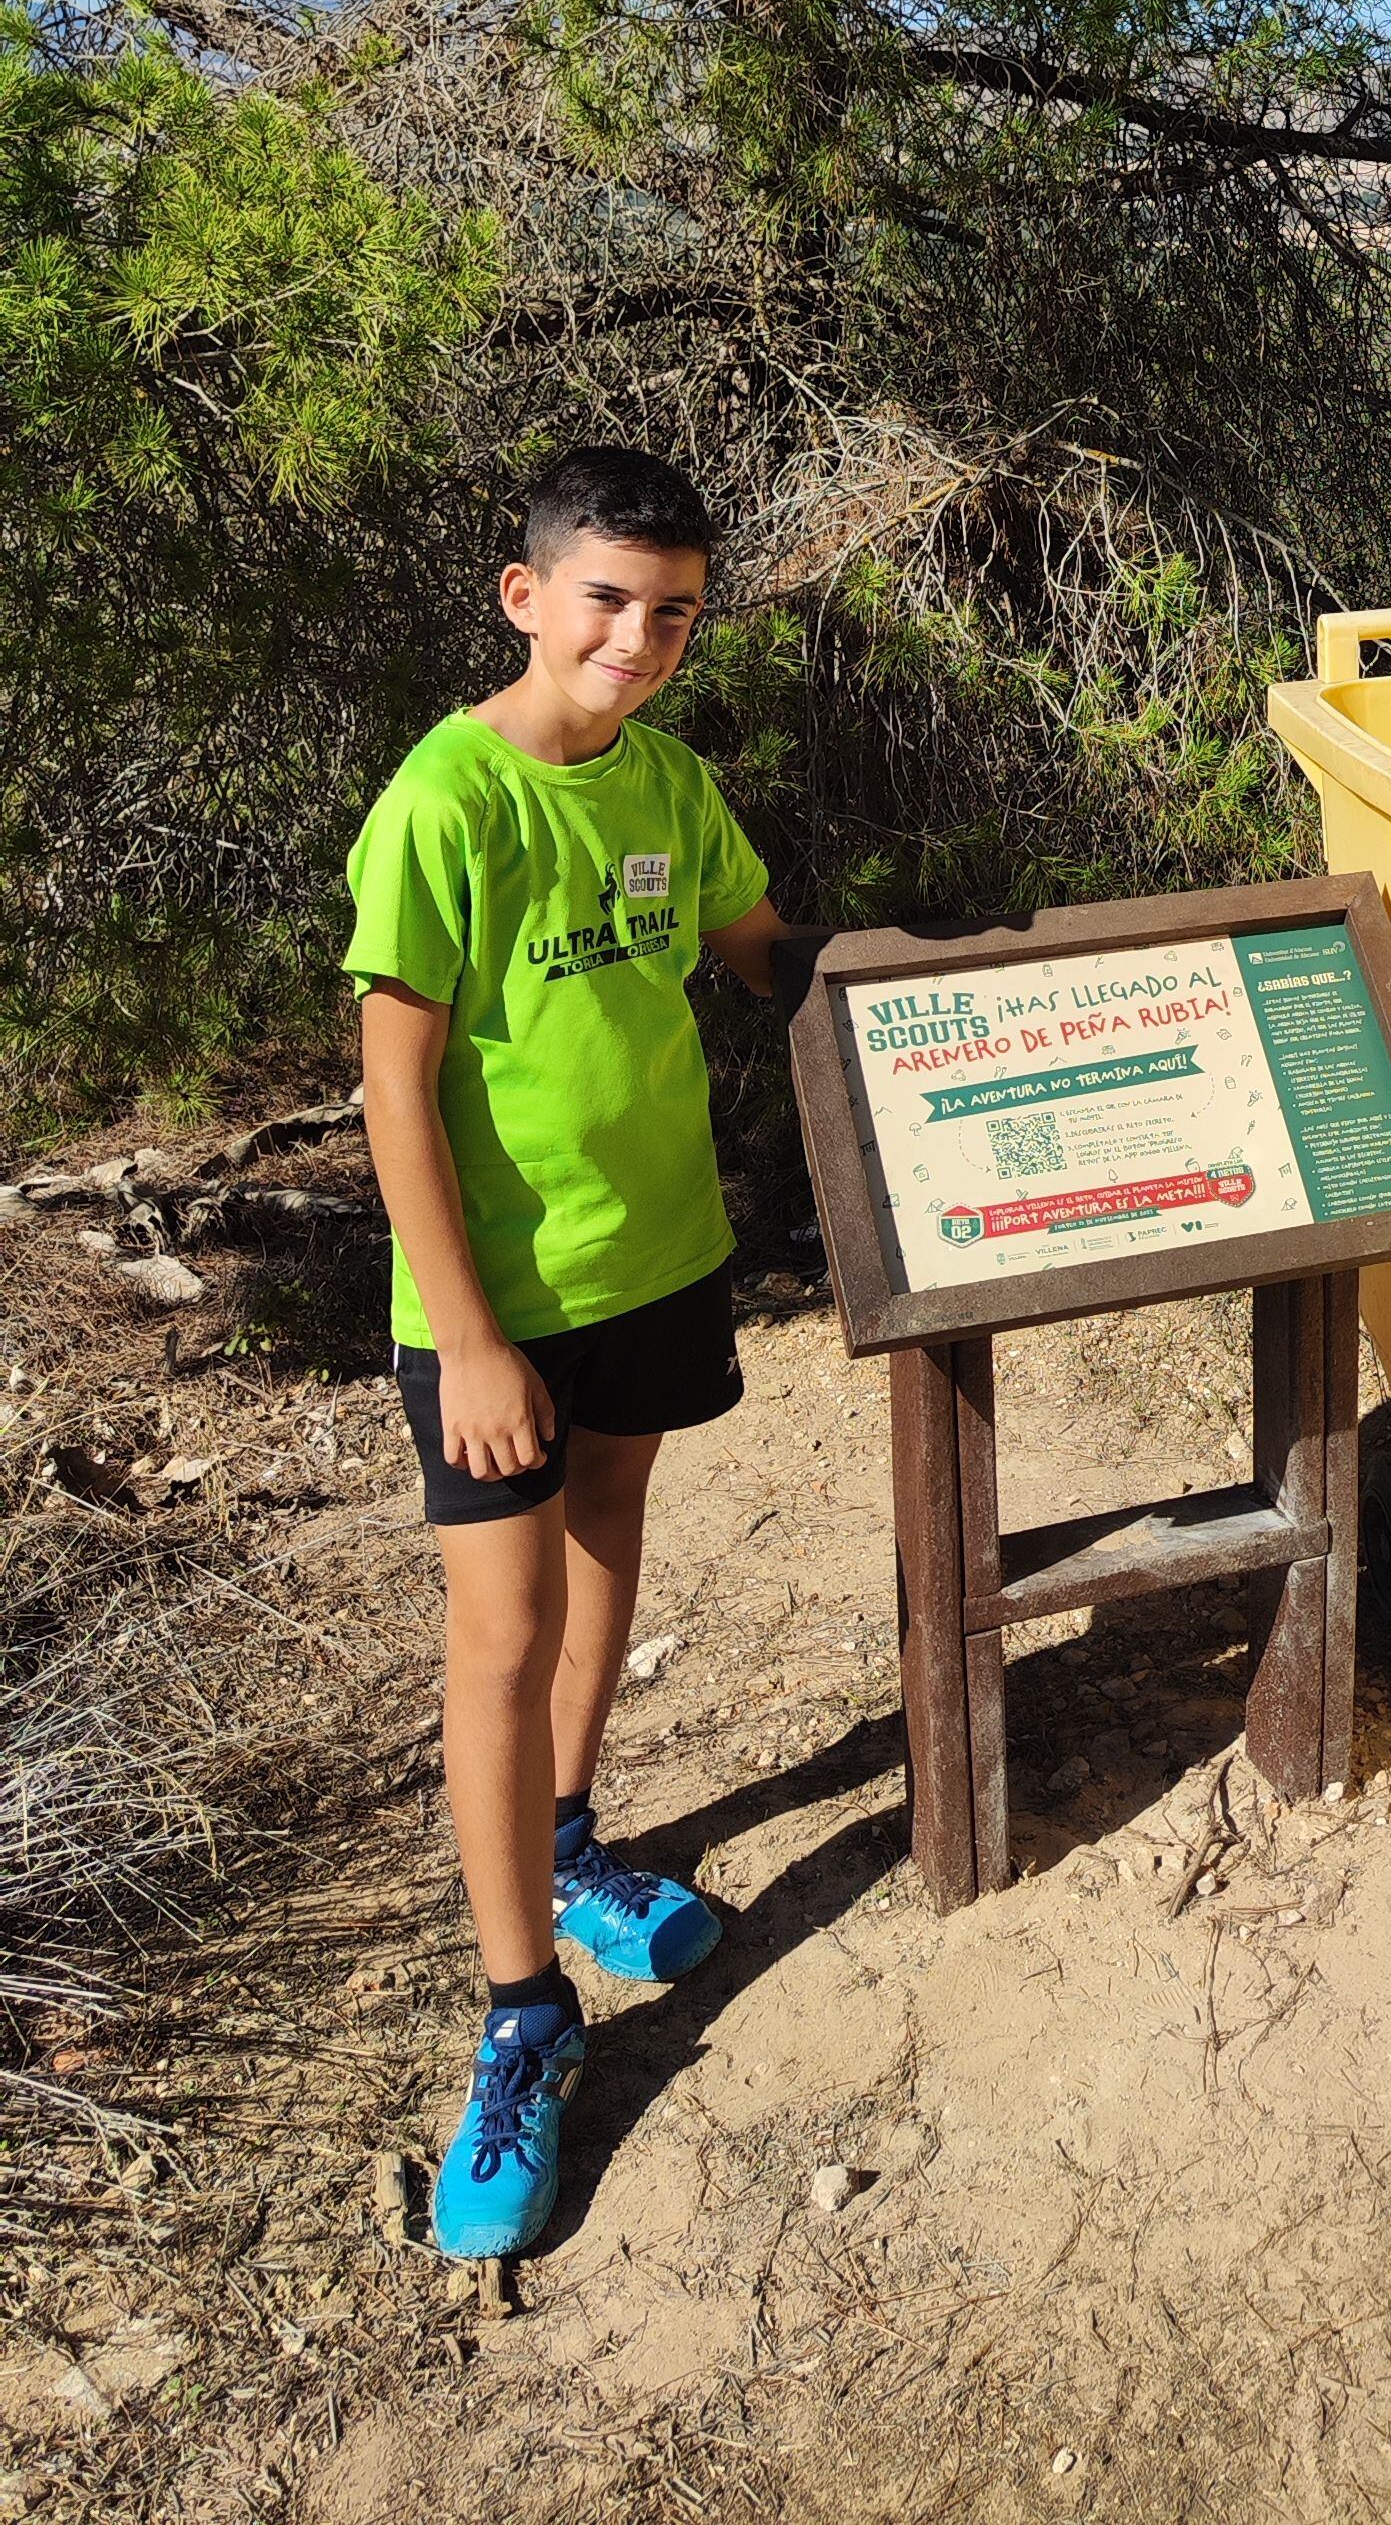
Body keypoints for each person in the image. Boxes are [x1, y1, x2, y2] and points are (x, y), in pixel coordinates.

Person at [346, 443, 787, 2260]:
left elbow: (768, 953)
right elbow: (391, 1084)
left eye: (673, 610)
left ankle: (576, 1835)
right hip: (496, 1318)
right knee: (500, 1633)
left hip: (656, 1264)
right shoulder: (446, 802)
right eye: (607, 598)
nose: (639, 637)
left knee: (610, 1552)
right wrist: (469, 1340)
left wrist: (977, 1001)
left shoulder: (673, 779)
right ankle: (524, 2010)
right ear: (526, 596)